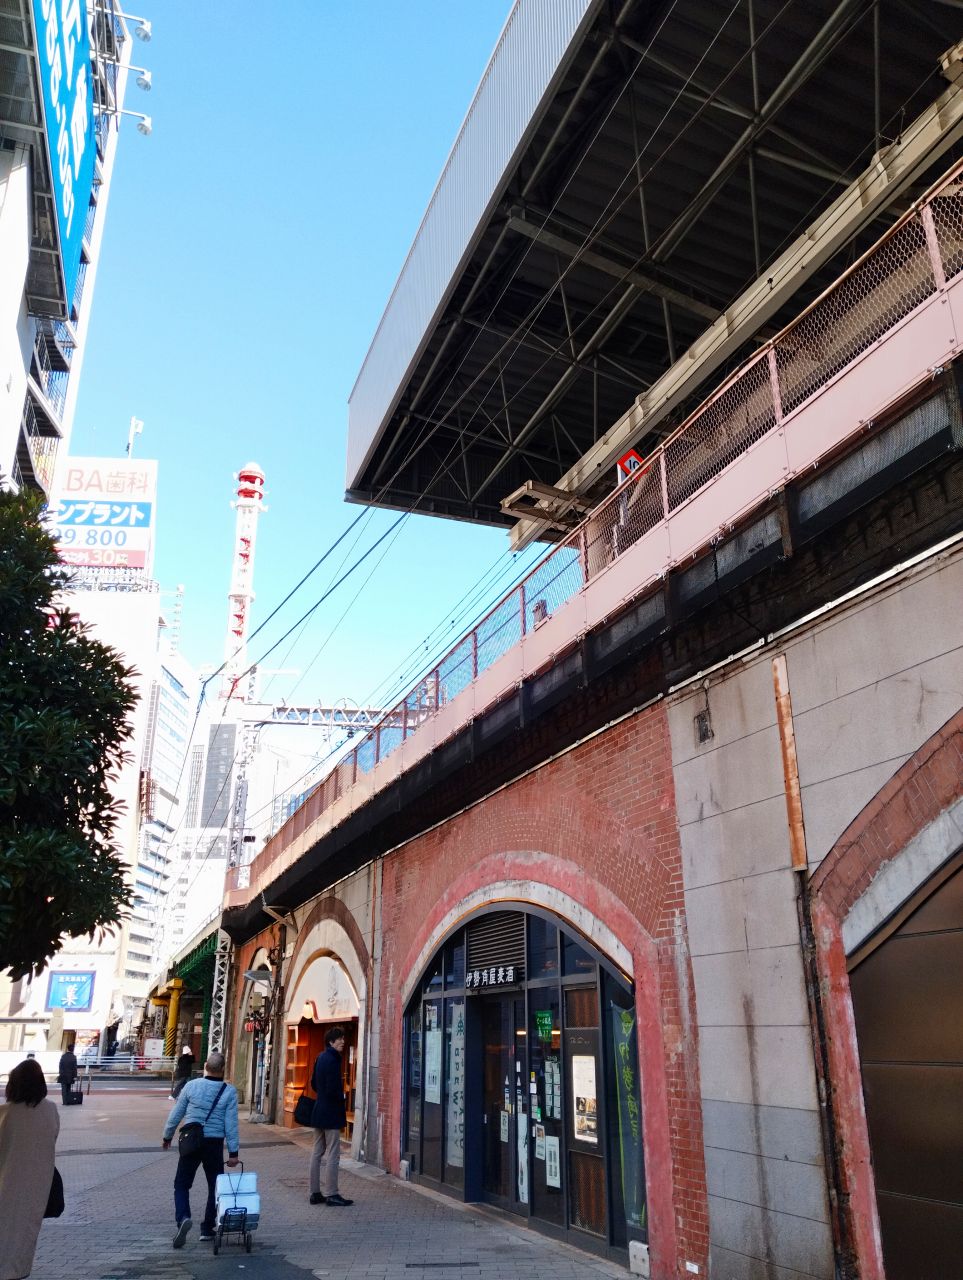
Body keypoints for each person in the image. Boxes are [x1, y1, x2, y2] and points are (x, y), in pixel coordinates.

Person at [161, 1051, 239, 1249]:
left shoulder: (191, 1086)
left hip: (191, 1140)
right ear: (223, 1069)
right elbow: (231, 1124)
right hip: (214, 1143)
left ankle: (183, 1218)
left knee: (181, 1184)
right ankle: (207, 1229)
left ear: (205, 1066)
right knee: (215, 1186)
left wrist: (167, 1136)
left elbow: (176, 1113)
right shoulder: (229, 1091)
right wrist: (233, 1153)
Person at [0, 1058, 60, 1280]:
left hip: (5, 1181)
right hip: (36, 1185)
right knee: (24, 1234)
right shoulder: (50, 1110)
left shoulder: (5, 1113)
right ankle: (17, 1271)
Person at [308, 1025, 353, 1207]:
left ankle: (315, 1192)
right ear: (331, 1042)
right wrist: (341, 1097)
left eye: (343, 1038)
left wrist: (324, 1095)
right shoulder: (334, 1060)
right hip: (331, 1112)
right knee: (334, 1153)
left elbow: (313, 1083)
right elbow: (333, 1088)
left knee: (317, 1152)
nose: (343, 1041)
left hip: (319, 1110)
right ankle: (332, 1193)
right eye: (339, 1039)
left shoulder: (320, 1057)